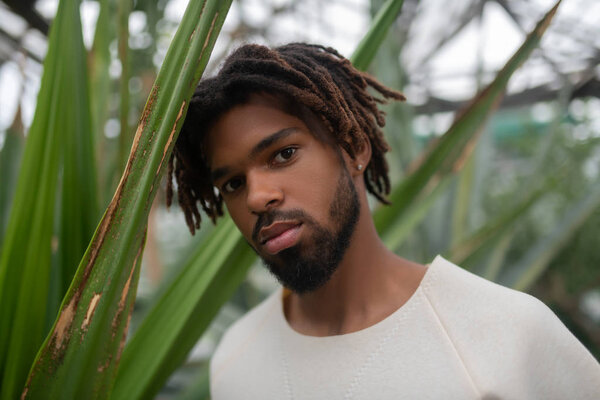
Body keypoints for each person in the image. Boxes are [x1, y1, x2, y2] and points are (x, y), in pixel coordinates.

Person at [168, 43, 600, 399]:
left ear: (354, 148)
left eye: (283, 155)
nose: (258, 196)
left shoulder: (507, 337)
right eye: (233, 184)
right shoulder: (235, 358)